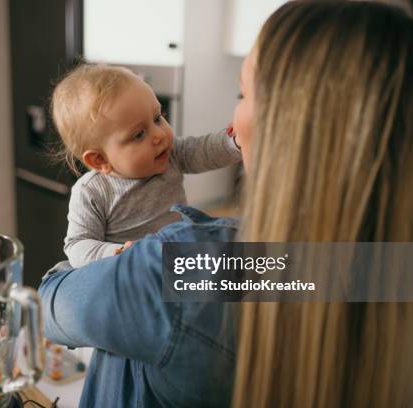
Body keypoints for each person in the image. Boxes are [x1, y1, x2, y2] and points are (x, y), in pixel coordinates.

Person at [39, 1, 413, 407]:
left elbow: (49, 305)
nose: (162, 135)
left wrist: (126, 271)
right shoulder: (386, 272)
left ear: (285, 125)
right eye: (138, 133)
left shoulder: (185, 270)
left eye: (243, 92)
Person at [51, 64, 241, 268]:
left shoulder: (171, 154)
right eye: (139, 134)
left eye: (158, 118)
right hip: (133, 278)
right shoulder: (93, 192)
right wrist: (118, 252)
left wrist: (236, 142)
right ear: (100, 160)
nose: (159, 135)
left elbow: (204, 151)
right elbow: (77, 245)